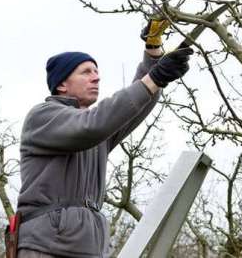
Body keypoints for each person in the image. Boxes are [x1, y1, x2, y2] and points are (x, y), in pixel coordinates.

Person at [15, 20, 192, 258]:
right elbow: (93, 125)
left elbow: (134, 107)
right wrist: (154, 78)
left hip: (89, 248)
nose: (96, 78)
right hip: (45, 247)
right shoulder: (43, 117)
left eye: (97, 71)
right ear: (61, 85)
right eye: (86, 72)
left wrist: (153, 52)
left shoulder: (96, 128)